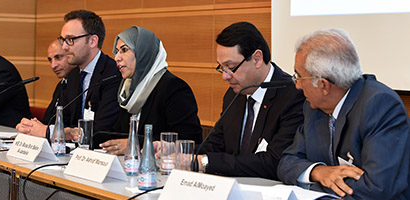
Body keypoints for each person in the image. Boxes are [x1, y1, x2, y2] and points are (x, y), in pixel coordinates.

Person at [277, 28, 410, 199]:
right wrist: (318, 172)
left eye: (299, 77)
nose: (297, 85)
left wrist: (313, 190)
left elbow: (378, 188)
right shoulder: (313, 108)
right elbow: (286, 163)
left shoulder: (380, 105)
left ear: (324, 85)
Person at [194, 22, 305, 180]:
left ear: (257, 59)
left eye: (231, 67)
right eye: (221, 68)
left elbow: (275, 161)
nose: (225, 76)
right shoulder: (233, 94)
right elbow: (215, 145)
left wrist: (205, 162)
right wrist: (176, 152)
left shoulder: (292, 95)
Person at [18, 10, 121, 142]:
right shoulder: (73, 75)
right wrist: (32, 127)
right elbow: (61, 119)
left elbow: (101, 129)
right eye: (63, 40)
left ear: (92, 41)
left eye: (70, 40)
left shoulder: (113, 74)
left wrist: (49, 131)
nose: (65, 47)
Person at [99, 26, 202, 154]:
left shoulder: (174, 88)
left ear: (143, 52)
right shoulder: (127, 88)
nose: (117, 58)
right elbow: (119, 134)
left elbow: (189, 141)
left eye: (124, 50)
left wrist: (136, 144)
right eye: (117, 51)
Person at [15, 40, 77, 133]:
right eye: (50, 60)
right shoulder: (62, 85)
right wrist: (33, 126)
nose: (53, 65)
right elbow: (49, 121)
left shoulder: (80, 85)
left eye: (58, 57)